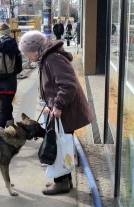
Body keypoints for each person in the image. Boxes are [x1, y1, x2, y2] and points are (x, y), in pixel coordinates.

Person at [18, 31, 93, 195]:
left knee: (59, 145)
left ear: (35, 49)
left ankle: (62, 183)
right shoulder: (47, 58)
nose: (27, 56)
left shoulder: (52, 59)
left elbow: (68, 85)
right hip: (62, 110)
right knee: (61, 145)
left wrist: (57, 105)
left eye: (26, 52)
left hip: (65, 111)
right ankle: (63, 180)